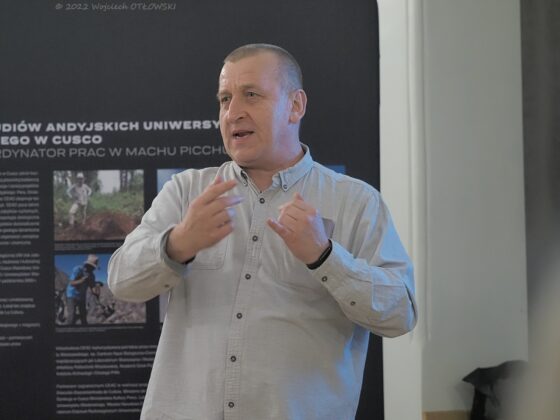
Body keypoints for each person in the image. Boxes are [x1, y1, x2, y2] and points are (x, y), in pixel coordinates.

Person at [108, 43, 417, 420]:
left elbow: (400, 315)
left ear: (295, 106)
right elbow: (122, 282)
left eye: (251, 95)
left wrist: (325, 257)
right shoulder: (187, 192)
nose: (233, 112)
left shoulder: (356, 202)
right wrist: (178, 243)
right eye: (225, 99)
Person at [66, 254, 99, 325]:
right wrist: (82, 280)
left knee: (83, 314)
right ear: (87, 265)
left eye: (93, 267)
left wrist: (96, 290)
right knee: (72, 314)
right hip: (72, 295)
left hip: (82, 296)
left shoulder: (92, 275)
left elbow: (92, 287)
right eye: (92, 267)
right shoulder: (78, 269)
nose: (93, 269)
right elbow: (71, 283)